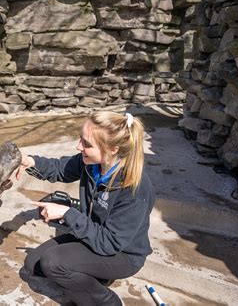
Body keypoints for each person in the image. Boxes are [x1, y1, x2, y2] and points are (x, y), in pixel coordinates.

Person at [16, 111, 155, 306]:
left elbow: (109, 242)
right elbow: (60, 168)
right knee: (34, 264)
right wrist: (29, 162)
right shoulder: (92, 164)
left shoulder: (134, 188)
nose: (78, 146)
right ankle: (95, 276)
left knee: (53, 263)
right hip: (92, 235)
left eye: (87, 144)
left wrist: (67, 213)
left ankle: (107, 302)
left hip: (122, 253)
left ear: (113, 149)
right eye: (81, 138)